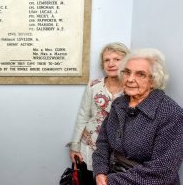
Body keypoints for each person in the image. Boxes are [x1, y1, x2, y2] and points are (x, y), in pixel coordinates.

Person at [93, 48, 183, 185]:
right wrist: (99, 172)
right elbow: (103, 141)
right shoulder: (119, 103)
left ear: (153, 80)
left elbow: (162, 171)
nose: (130, 79)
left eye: (140, 74)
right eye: (127, 72)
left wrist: (110, 181)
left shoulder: (171, 113)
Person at [68, 42, 129, 184]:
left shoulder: (132, 87)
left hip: (119, 152)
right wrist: (75, 146)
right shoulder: (93, 85)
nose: (111, 64)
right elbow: (83, 116)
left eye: (117, 59)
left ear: (127, 62)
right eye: (107, 60)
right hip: (90, 147)